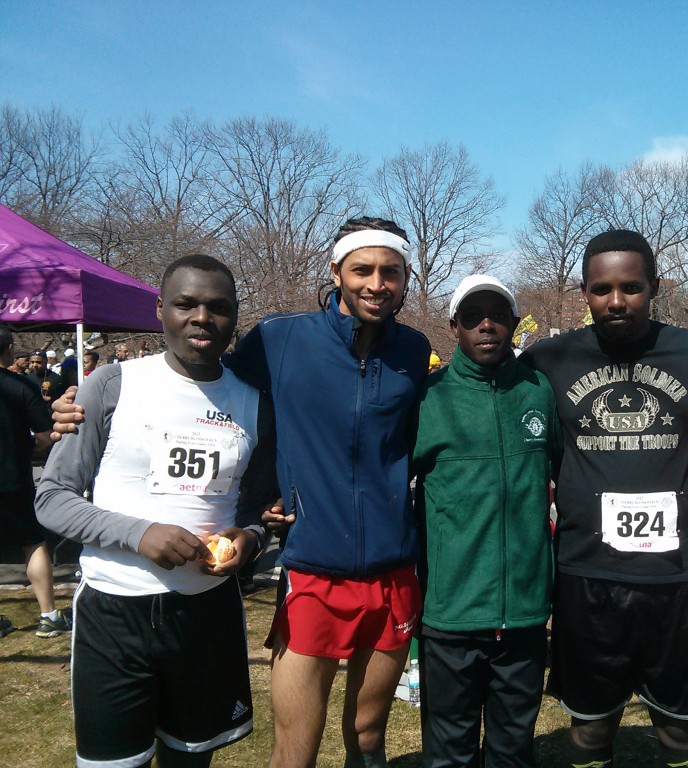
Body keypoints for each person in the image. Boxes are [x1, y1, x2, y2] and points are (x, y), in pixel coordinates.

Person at [49, 217, 431, 768]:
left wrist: (254, 525)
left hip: (392, 565)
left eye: (390, 271)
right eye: (363, 269)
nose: (377, 283)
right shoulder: (281, 339)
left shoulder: (414, 351)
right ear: (336, 272)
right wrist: (71, 408)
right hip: (312, 567)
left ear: (406, 276)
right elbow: (198, 375)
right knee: (294, 751)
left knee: (369, 738)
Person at [35, 254, 277, 767]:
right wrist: (139, 533)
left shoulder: (256, 401)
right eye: (186, 305)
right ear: (160, 309)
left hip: (206, 616)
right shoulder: (112, 385)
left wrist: (249, 539)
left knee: (190, 760)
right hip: (114, 613)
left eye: (218, 307)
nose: (202, 319)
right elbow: (53, 497)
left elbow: (259, 510)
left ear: (235, 316)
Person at [521, 229, 688, 768]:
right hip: (588, 574)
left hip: (677, 576)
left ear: (655, 287)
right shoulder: (548, 360)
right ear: (584, 292)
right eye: (602, 289)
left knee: (681, 732)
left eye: (631, 287)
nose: (616, 301)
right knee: (589, 731)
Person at [413, 275, 561, 767]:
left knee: (512, 746)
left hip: (523, 611)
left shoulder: (539, 392)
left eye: (498, 315)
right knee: (448, 748)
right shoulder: (428, 398)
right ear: (454, 325)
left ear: (516, 325)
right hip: (451, 611)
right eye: (473, 316)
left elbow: (563, 472)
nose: (486, 326)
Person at [0, 324, 71, 639]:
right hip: (13, 476)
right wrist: (23, 448)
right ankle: (49, 616)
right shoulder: (22, 386)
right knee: (33, 543)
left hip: (13, 474)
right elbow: (45, 438)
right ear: (9, 349)